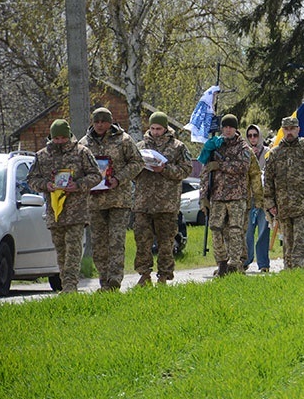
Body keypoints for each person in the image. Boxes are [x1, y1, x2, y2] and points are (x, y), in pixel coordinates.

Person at [25, 119, 102, 293]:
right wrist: (46, 185)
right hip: (55, 211)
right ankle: (64, 283)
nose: (59, 141)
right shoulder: (42, 156)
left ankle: (70, 286)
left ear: (68, 136)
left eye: (62, 138)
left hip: (76, 211)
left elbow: (96, 175)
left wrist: (78, 184)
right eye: (56, 138)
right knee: (61, 249)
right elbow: (31, 179)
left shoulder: (82, 152)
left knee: (73, 249)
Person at [79, 107, 143, 291]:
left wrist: (119, 178)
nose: (99, 125)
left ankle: (115, 280)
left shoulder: (123, 140)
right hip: (95, 201)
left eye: (103, 121)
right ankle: (104, 280)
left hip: (118, 200)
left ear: (110, 122)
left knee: (116, 240)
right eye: (96, 121)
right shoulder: (85, 144)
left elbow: (137, 162)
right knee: (99, 243)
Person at [133, 112, 192, 286]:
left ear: (165, 128)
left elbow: (185, 170)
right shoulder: (140, 147)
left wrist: (165, 169)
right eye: (152, 128)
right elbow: (131, 171)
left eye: (159, 128)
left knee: (166, 243)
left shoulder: (178, 147)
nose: (155, 132)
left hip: (167, 204)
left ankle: (164, 276)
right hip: (143, 203)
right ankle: (144, 275)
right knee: (142, 241)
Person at [263, 117, 304, 268]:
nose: (289, 132)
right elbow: (268, 181)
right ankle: (290, 273)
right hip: (284, 207)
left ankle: (299, 272)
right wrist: (270, 204)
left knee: (300, 243)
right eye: (286, 129)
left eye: (292, 129)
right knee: (288, 244)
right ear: (283, 130)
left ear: (298, 129)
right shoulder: (275, 154)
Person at [202, 113, 252, 275]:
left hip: (237, 196)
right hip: (217, 196)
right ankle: (222, 262)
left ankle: (235, 263)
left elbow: (243, 167)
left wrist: (221, 165)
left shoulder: (243, 147)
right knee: (216, 229)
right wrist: (204, 196)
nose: (227, 130)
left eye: (230, 127)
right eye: (225, 127)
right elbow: (206, 171)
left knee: (235, 230)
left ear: (236, 129)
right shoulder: (215, 145)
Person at [244, 124, 271, 272]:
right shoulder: (244, 151)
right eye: (250, 136)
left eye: (255, 135)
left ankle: (263, 264)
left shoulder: (267, 152)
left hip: (264, 197)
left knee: (263, 231)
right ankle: (246, 260)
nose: (253, 138)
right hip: (249, 197)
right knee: (248, 230)